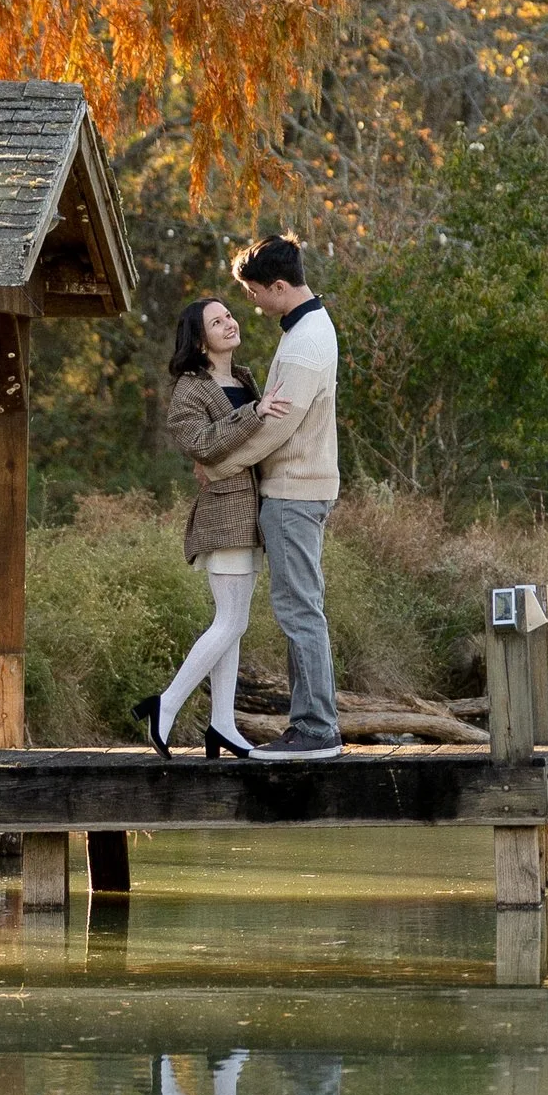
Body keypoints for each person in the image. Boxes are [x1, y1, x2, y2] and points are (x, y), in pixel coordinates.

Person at [147, 293, 278, 759]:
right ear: (200, 341)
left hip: (252, 513)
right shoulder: (190, 389)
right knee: (230, 621)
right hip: (223, 515)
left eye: (229, 316)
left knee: (234, 624)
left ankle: (222, 724)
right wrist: (254, 413)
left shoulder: (244, 378)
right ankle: (166, 704)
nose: (229, 323)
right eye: (217, 322)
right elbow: (200, 445)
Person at [228, 234, 341, 754]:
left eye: (253, 291)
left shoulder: (306, 342)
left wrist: (223, 464)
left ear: (278, 286)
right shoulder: (307, 329)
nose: (251, 301)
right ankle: (312, 725)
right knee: (302, 607)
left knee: (299, 611)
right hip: (298, 489)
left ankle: (316, 728)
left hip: (294, 492)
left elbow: (278, 428)